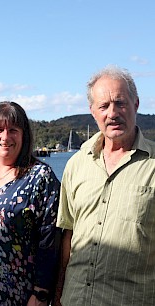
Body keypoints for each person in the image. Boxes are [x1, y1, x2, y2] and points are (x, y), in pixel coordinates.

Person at [55, 65, 155, 306]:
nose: (113, 113)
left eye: (120, 103)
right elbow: (68, 235)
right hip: (74, 299)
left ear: (136, 104)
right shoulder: (76, 164)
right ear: (92, 111)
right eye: (104, 106)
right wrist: (58, 296)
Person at [0, 101, 61, 305]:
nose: (5, 137)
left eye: (13, 130)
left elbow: (51, 240)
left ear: (24, 136)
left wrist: (41, 293)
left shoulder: (41, 177)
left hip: (18, 295)